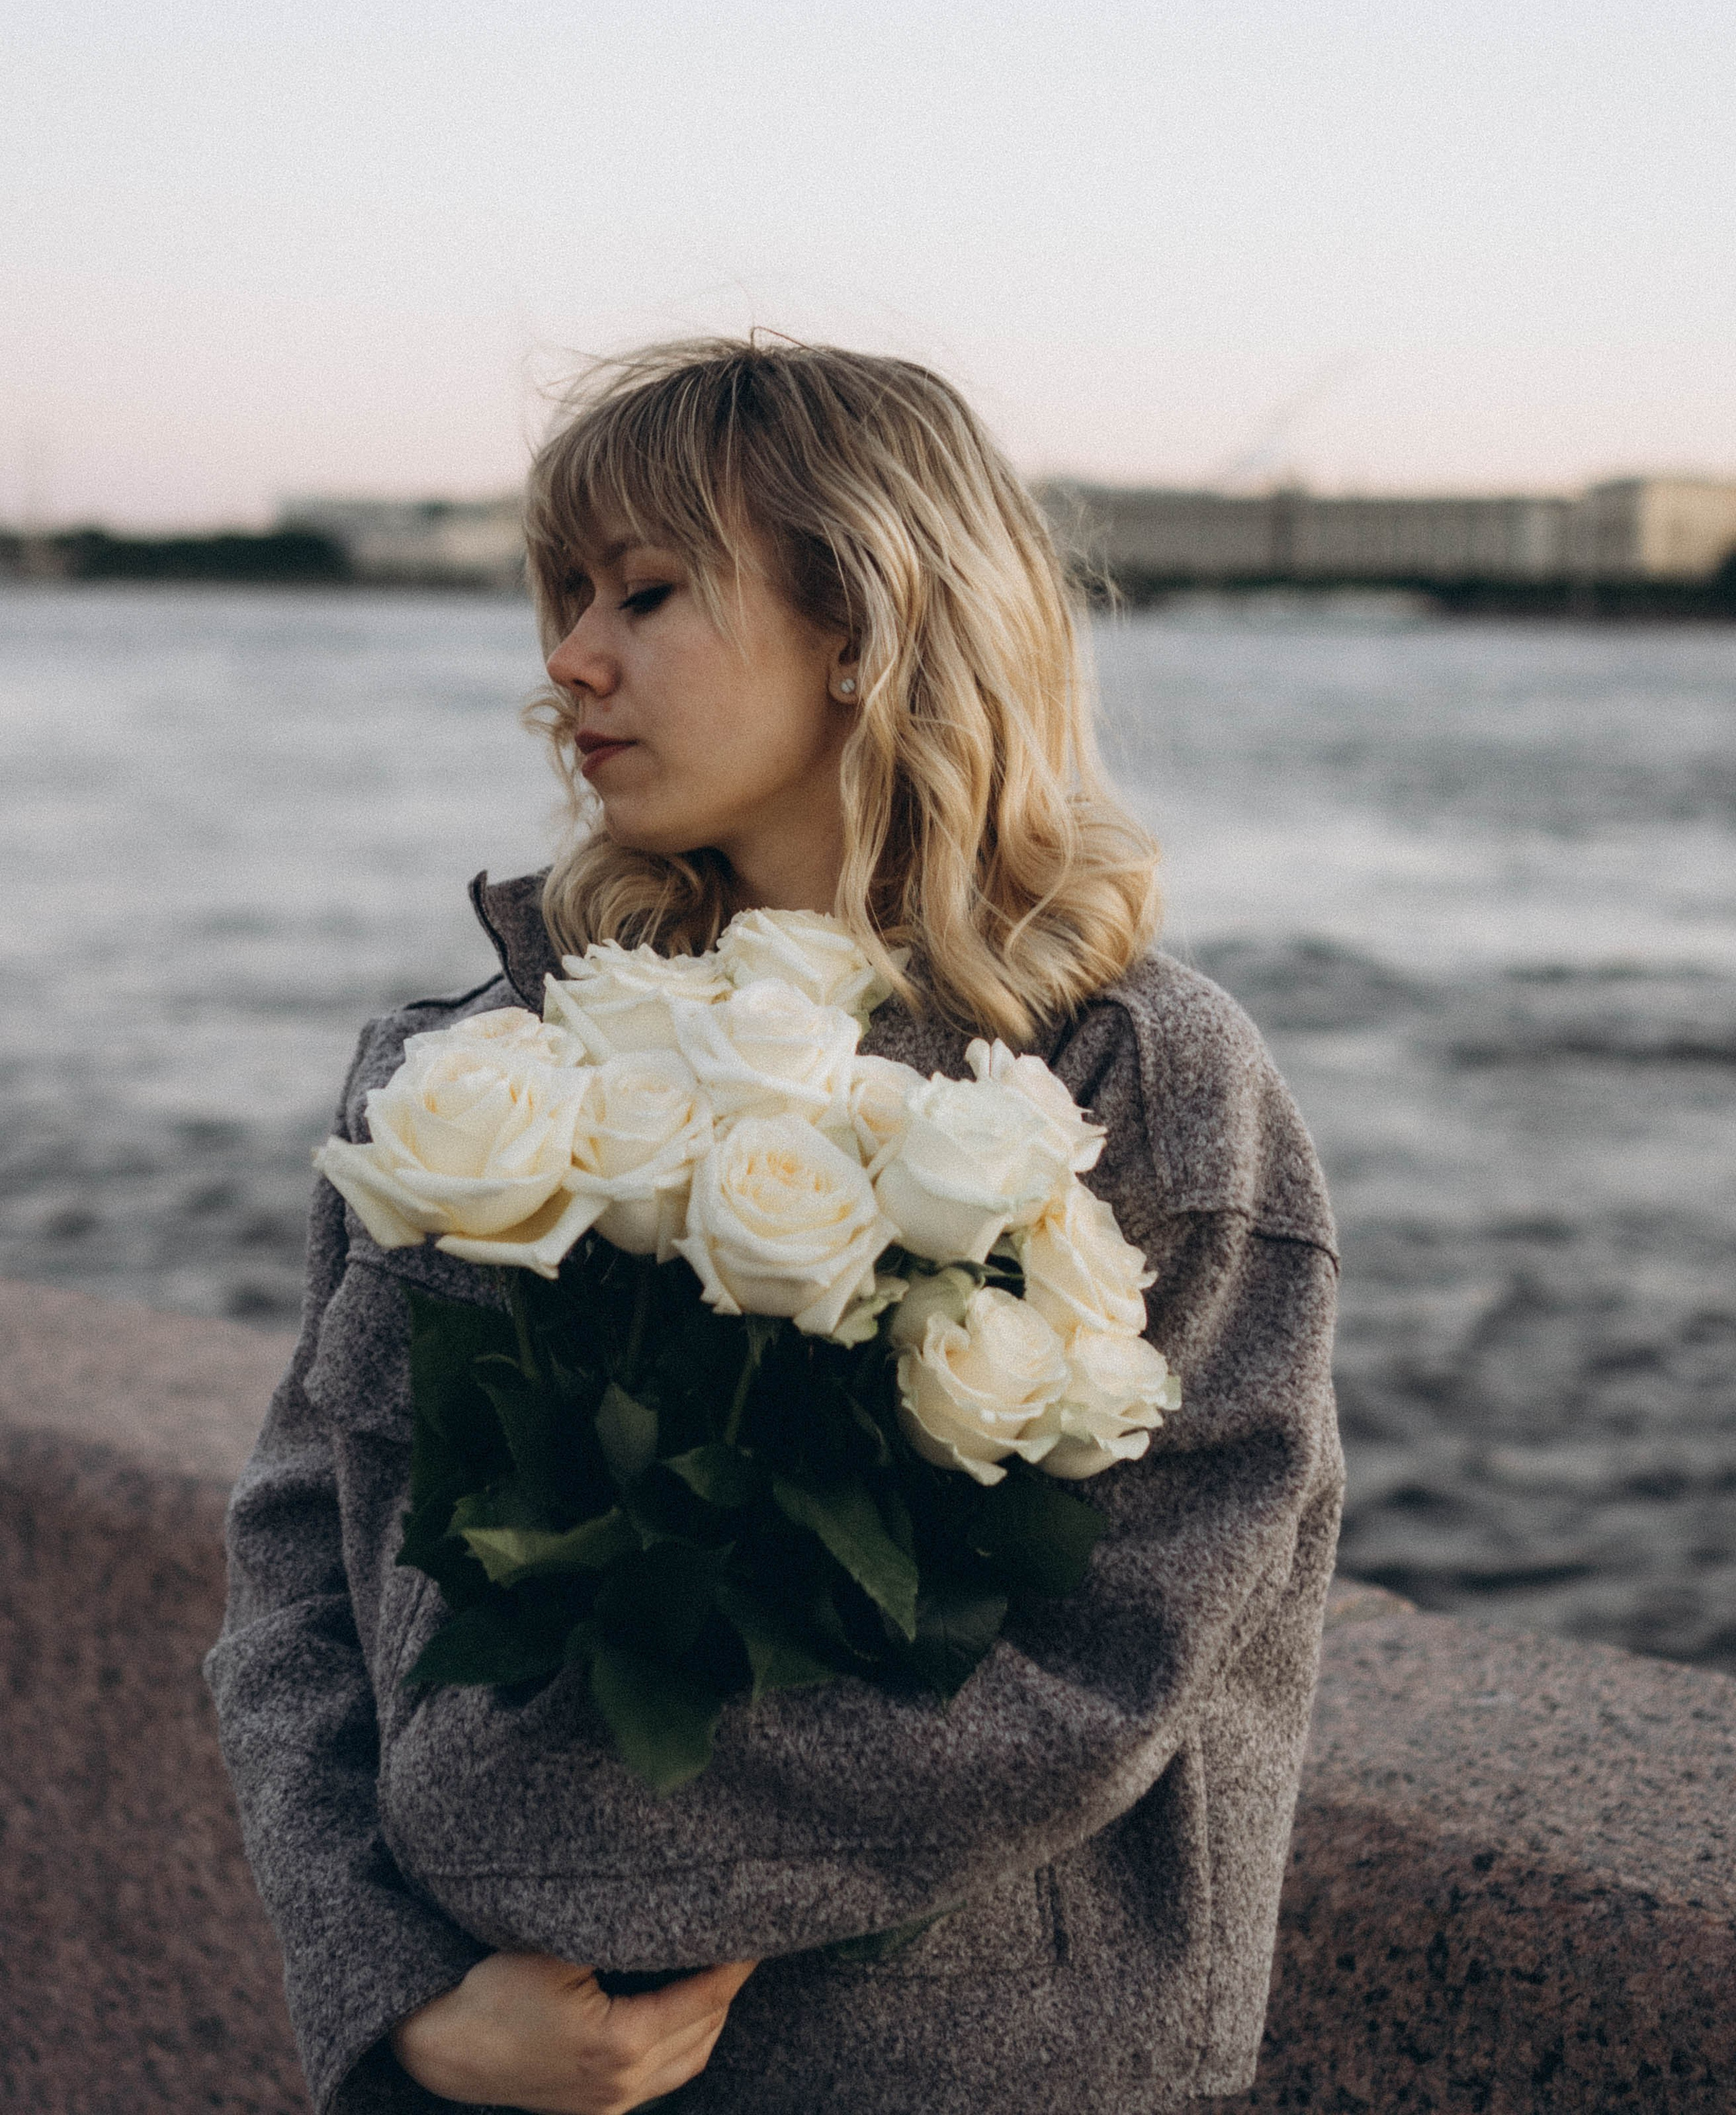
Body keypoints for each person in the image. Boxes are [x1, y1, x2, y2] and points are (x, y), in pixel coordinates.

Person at [208, 339, 1343, 2115]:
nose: (570, 658)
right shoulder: (463, 1078)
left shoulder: (1143, 1082)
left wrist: (535, 1851)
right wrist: (403, 2000)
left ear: (867, 627)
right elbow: (299, 1562)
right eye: (563, 594)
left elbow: (1124, 1648)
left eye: (648, 592)